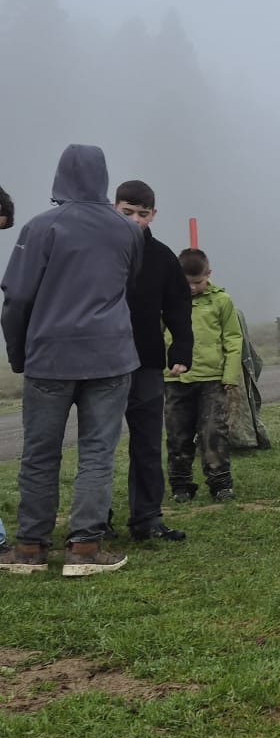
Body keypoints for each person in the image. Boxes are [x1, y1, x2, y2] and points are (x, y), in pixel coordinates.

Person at [0, 145, 141, 576]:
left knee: (39, 455)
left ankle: (29, 548)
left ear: (60, 176)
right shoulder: (128, 230)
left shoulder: (40, 227)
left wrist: (18, 353)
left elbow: (17, 297)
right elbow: (128, 285)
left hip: (50, 357)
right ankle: (84, 548)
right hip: (111, 356)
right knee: (97, 452)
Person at [112, 180, 194, 543]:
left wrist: (182, 349)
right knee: (98, 444)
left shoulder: (162, 257)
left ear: (153, 215)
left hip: (146, 362)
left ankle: (147, 518)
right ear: (113, 208)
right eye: (127, 212)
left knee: (146, 443)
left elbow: (178, 305)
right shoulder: (98, 251)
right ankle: (95, 520)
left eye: (142, 214)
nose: (135, 220)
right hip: (102, 364)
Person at [165, 249, 242, 504]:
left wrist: (230, 375)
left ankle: (220, 484)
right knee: (178, 435)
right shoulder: (168, 300)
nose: (193, 288)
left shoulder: (222, 301)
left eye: (197, 282)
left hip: (212, 379)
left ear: (208, 274)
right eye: (187, 283)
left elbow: (233, 338)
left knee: (213, 433)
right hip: (176, 380)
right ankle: (180, 485)